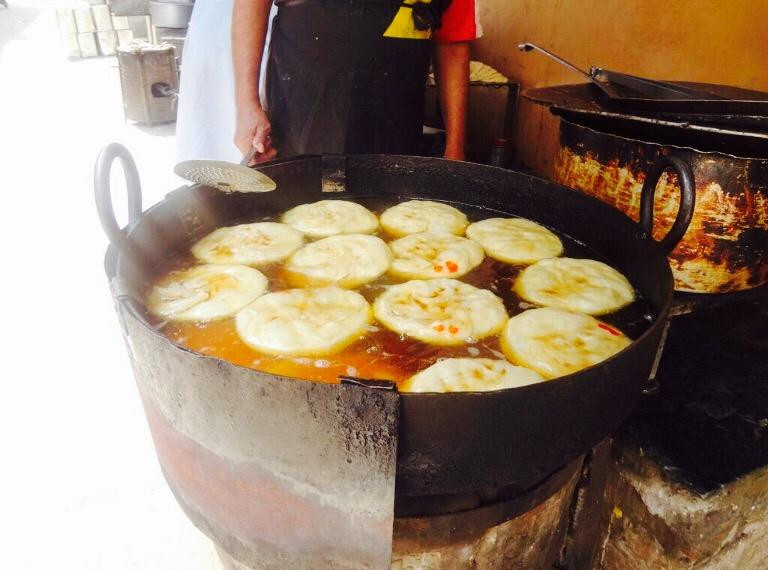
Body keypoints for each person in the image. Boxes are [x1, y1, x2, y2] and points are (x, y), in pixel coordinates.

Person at [232, 0, 481, 163]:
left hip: (395, 125)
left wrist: (455, 148)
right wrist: (247, 105)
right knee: (301, 215)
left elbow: (453, 43)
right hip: (304, 115)